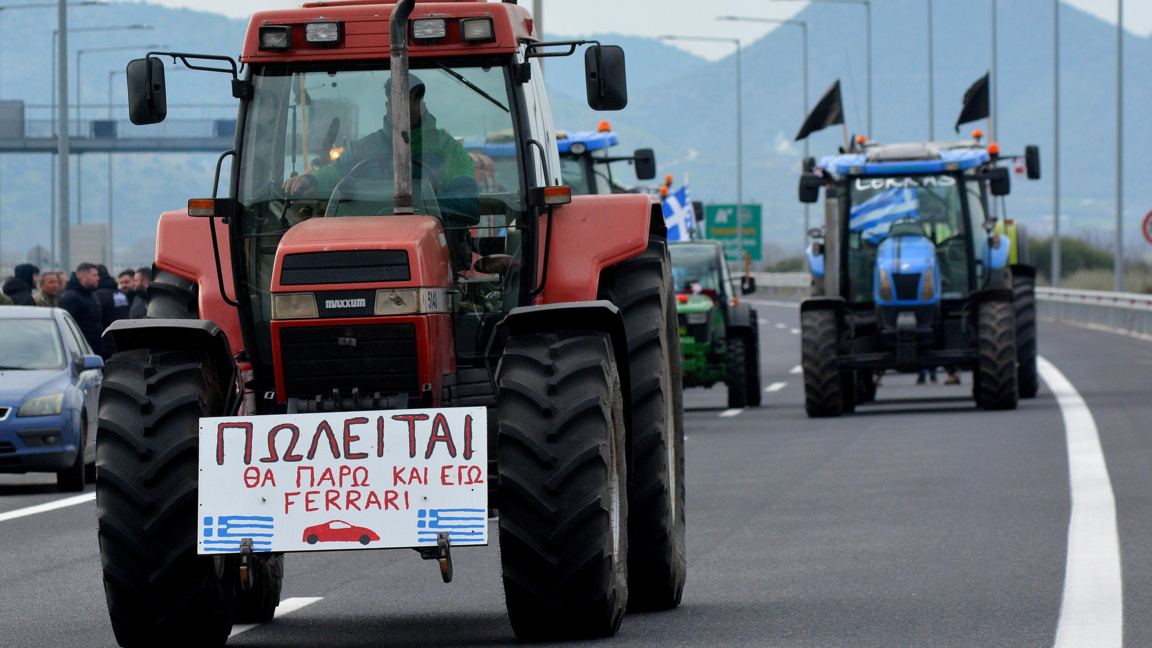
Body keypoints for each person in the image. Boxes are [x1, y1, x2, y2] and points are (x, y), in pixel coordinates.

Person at [283, 74, 479, 235]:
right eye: (396, 102)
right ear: (387, 106)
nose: (402, 109)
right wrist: (312, 180)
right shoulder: (364, 148)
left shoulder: (449, 149)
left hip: (435, 240)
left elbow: (468, 202)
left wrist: (417, 204)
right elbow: (335, 172)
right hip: (365, 239)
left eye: (409, 101)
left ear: (422, 105)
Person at [59, 263, 105, 354]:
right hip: (80, 350)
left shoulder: (92, 295)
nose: (98, 278)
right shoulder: (70, 298)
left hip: (95, 348)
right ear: (83, 277)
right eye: (94, 275)